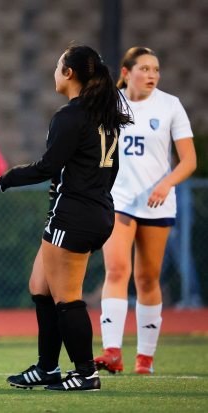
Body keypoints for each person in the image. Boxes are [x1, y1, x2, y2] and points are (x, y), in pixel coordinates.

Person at [1, 44, 132, 391]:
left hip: (74, 215)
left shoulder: (70, 116)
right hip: (93, 211)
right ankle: (47, 368)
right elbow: (111, 169)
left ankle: (86, 373)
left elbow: (47, 166)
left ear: (69, 73)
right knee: (39, 287)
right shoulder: (102, 115)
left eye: (59, 65)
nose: (55, 71)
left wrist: (7, 178)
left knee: (67, 299)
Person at [95, 47, 196, 375]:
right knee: (116, 271)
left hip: (157, 203)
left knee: (148, 277)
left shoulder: (170, 105)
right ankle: (112, 352)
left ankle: (145, 359)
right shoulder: (108, 104)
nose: (152, 75)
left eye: (155, 69)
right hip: (118, 201)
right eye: (144, 69)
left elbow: (189, 160)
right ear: (125, 73)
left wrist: (166, 183)